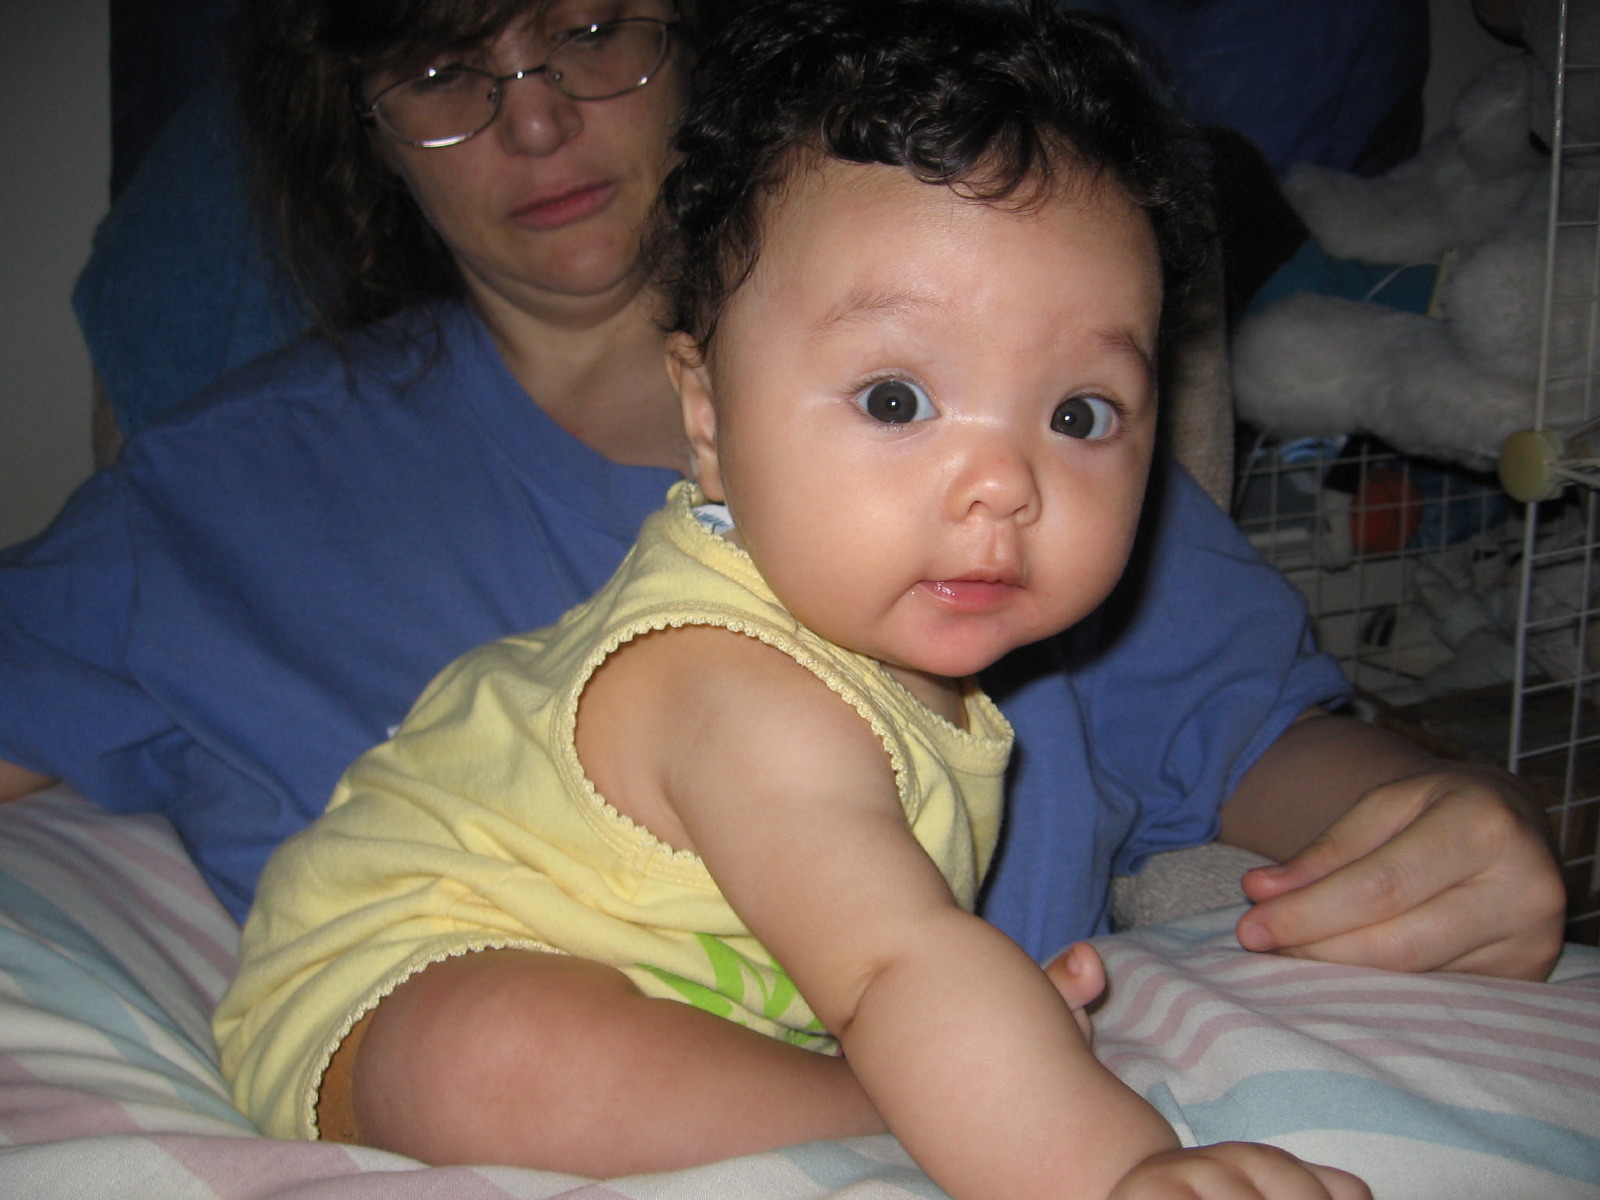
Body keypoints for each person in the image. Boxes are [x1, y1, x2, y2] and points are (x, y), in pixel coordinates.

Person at [0, 0, 1563, 1003]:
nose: (534, 118)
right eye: (442, 67)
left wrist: (1437, 828)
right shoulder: (204, 502)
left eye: (590, 28)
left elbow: (1256, 738)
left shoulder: (1018, 437)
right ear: (365, 121)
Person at [216, 9, 1371, 1195]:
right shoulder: (738, 684)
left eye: (1079, 414)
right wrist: (1118, 1169)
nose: (1001, 484)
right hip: (398, 975)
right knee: (505, 1060)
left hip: (677, 1004)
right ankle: (884, 1102)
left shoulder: (901, 652)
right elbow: (893, 967)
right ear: (707, 417)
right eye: (894, 400)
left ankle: (888, 1092)